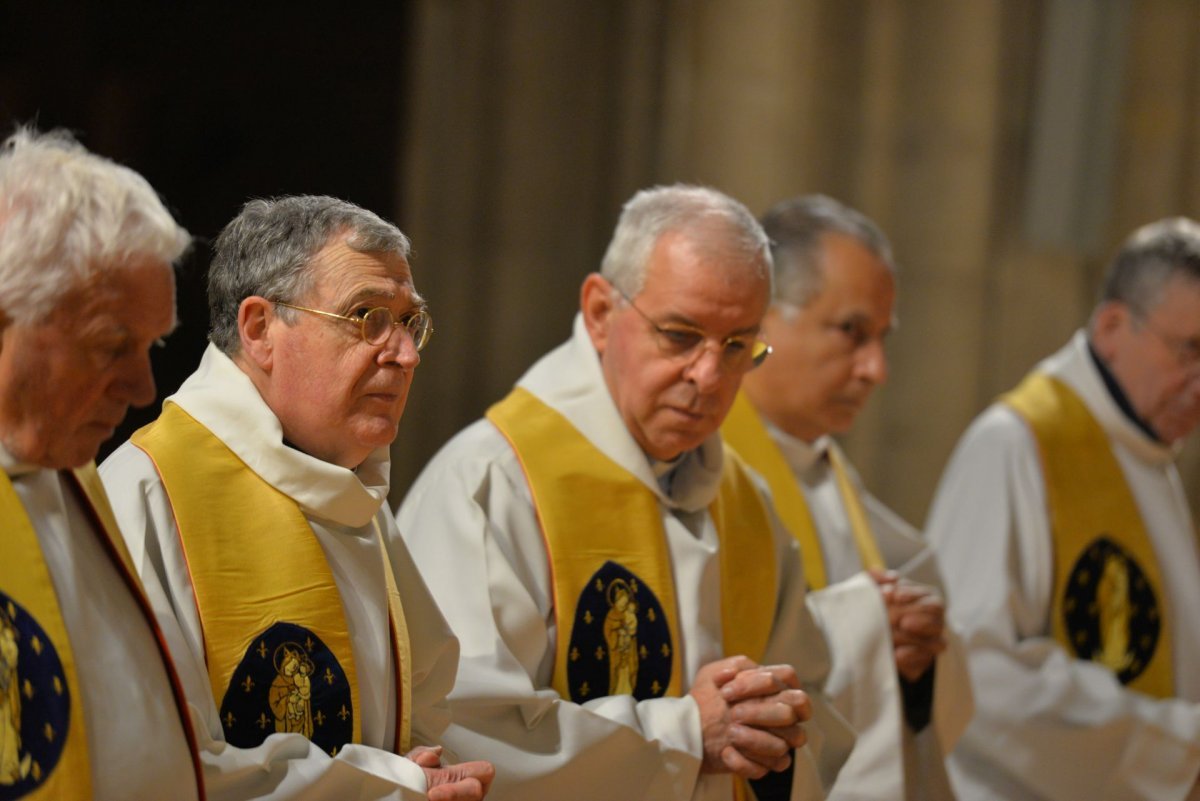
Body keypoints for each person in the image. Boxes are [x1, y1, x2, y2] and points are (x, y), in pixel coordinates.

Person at [396, 184, 855, 801]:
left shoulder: (747, 505)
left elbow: (816, 711)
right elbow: (464, 731)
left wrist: (773, 728)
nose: (709, 376)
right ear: (600, 312)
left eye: (739, 346)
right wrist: (684, 736)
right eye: (681, 335)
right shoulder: (493, 481)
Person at [99, 195, 495, 801]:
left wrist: (432, 773)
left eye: (409, 322)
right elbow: (151, 768)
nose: (406, 354)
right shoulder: (147, 494)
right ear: (260, 329)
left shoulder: (352, 491)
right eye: (367, 317)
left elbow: (421, 710)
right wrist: (392, 785)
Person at [925, 217, 1200, 800]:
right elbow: (978, 674)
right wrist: (1176, 751)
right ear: (1112, 327)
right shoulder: (1016, 444)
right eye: (1190, 351)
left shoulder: (1150, 459)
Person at [723, 194, 972, 799]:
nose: (876, 369)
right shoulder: (701, 468)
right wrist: (865, 627)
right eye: (851, 332)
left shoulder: (832, 476)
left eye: (882, 338)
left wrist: (915, 658)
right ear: (763, 318)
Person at [0, 127, 204, 799]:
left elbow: (159, 755)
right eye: (111, 343)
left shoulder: (80, 489)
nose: (144, 390)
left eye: (149, 346)